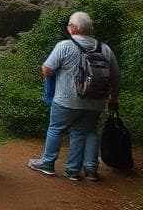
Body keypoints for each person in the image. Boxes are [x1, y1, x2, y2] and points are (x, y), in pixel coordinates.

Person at [28, 11, 122, 181]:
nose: (68, 27)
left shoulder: (64, 46)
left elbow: (47, 70)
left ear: (74, 28)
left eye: (69, 25)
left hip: (66, 99)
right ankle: (84, 170)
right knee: (88, 131)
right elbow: (115, 78)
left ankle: (48, 163)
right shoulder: (105, 48)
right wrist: (113, 99)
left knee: (56, 128)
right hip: (96, 100)